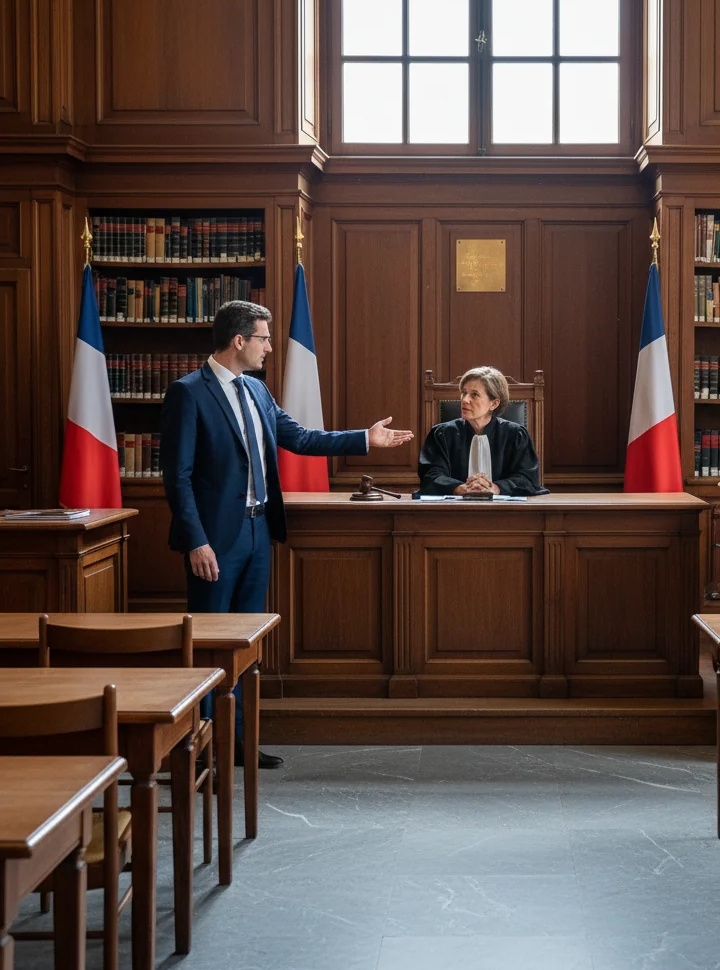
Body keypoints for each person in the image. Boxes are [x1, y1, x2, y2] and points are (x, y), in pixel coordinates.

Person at [161, 300, 414, 767]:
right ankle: (203, 748)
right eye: (264, 338)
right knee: (209, 646)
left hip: (259, 532)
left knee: (246, 646)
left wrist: (365, 438)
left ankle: (238, 744)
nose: (270, 348)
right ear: (239, 340)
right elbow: (177, 477)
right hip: (214, 541)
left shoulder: (257, 390)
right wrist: (196, 540)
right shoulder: (188, 393)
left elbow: (300, 438)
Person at [417, 366, 547, 496]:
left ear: (494, 404)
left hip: (504, 508)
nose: (464, 400)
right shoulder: (441, 434)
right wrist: (459, 488)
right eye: (464, 393)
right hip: (454, 507)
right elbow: (430, 476)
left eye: (475, 395)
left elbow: (527, 478)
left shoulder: (516, 435)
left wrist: (496, 488)